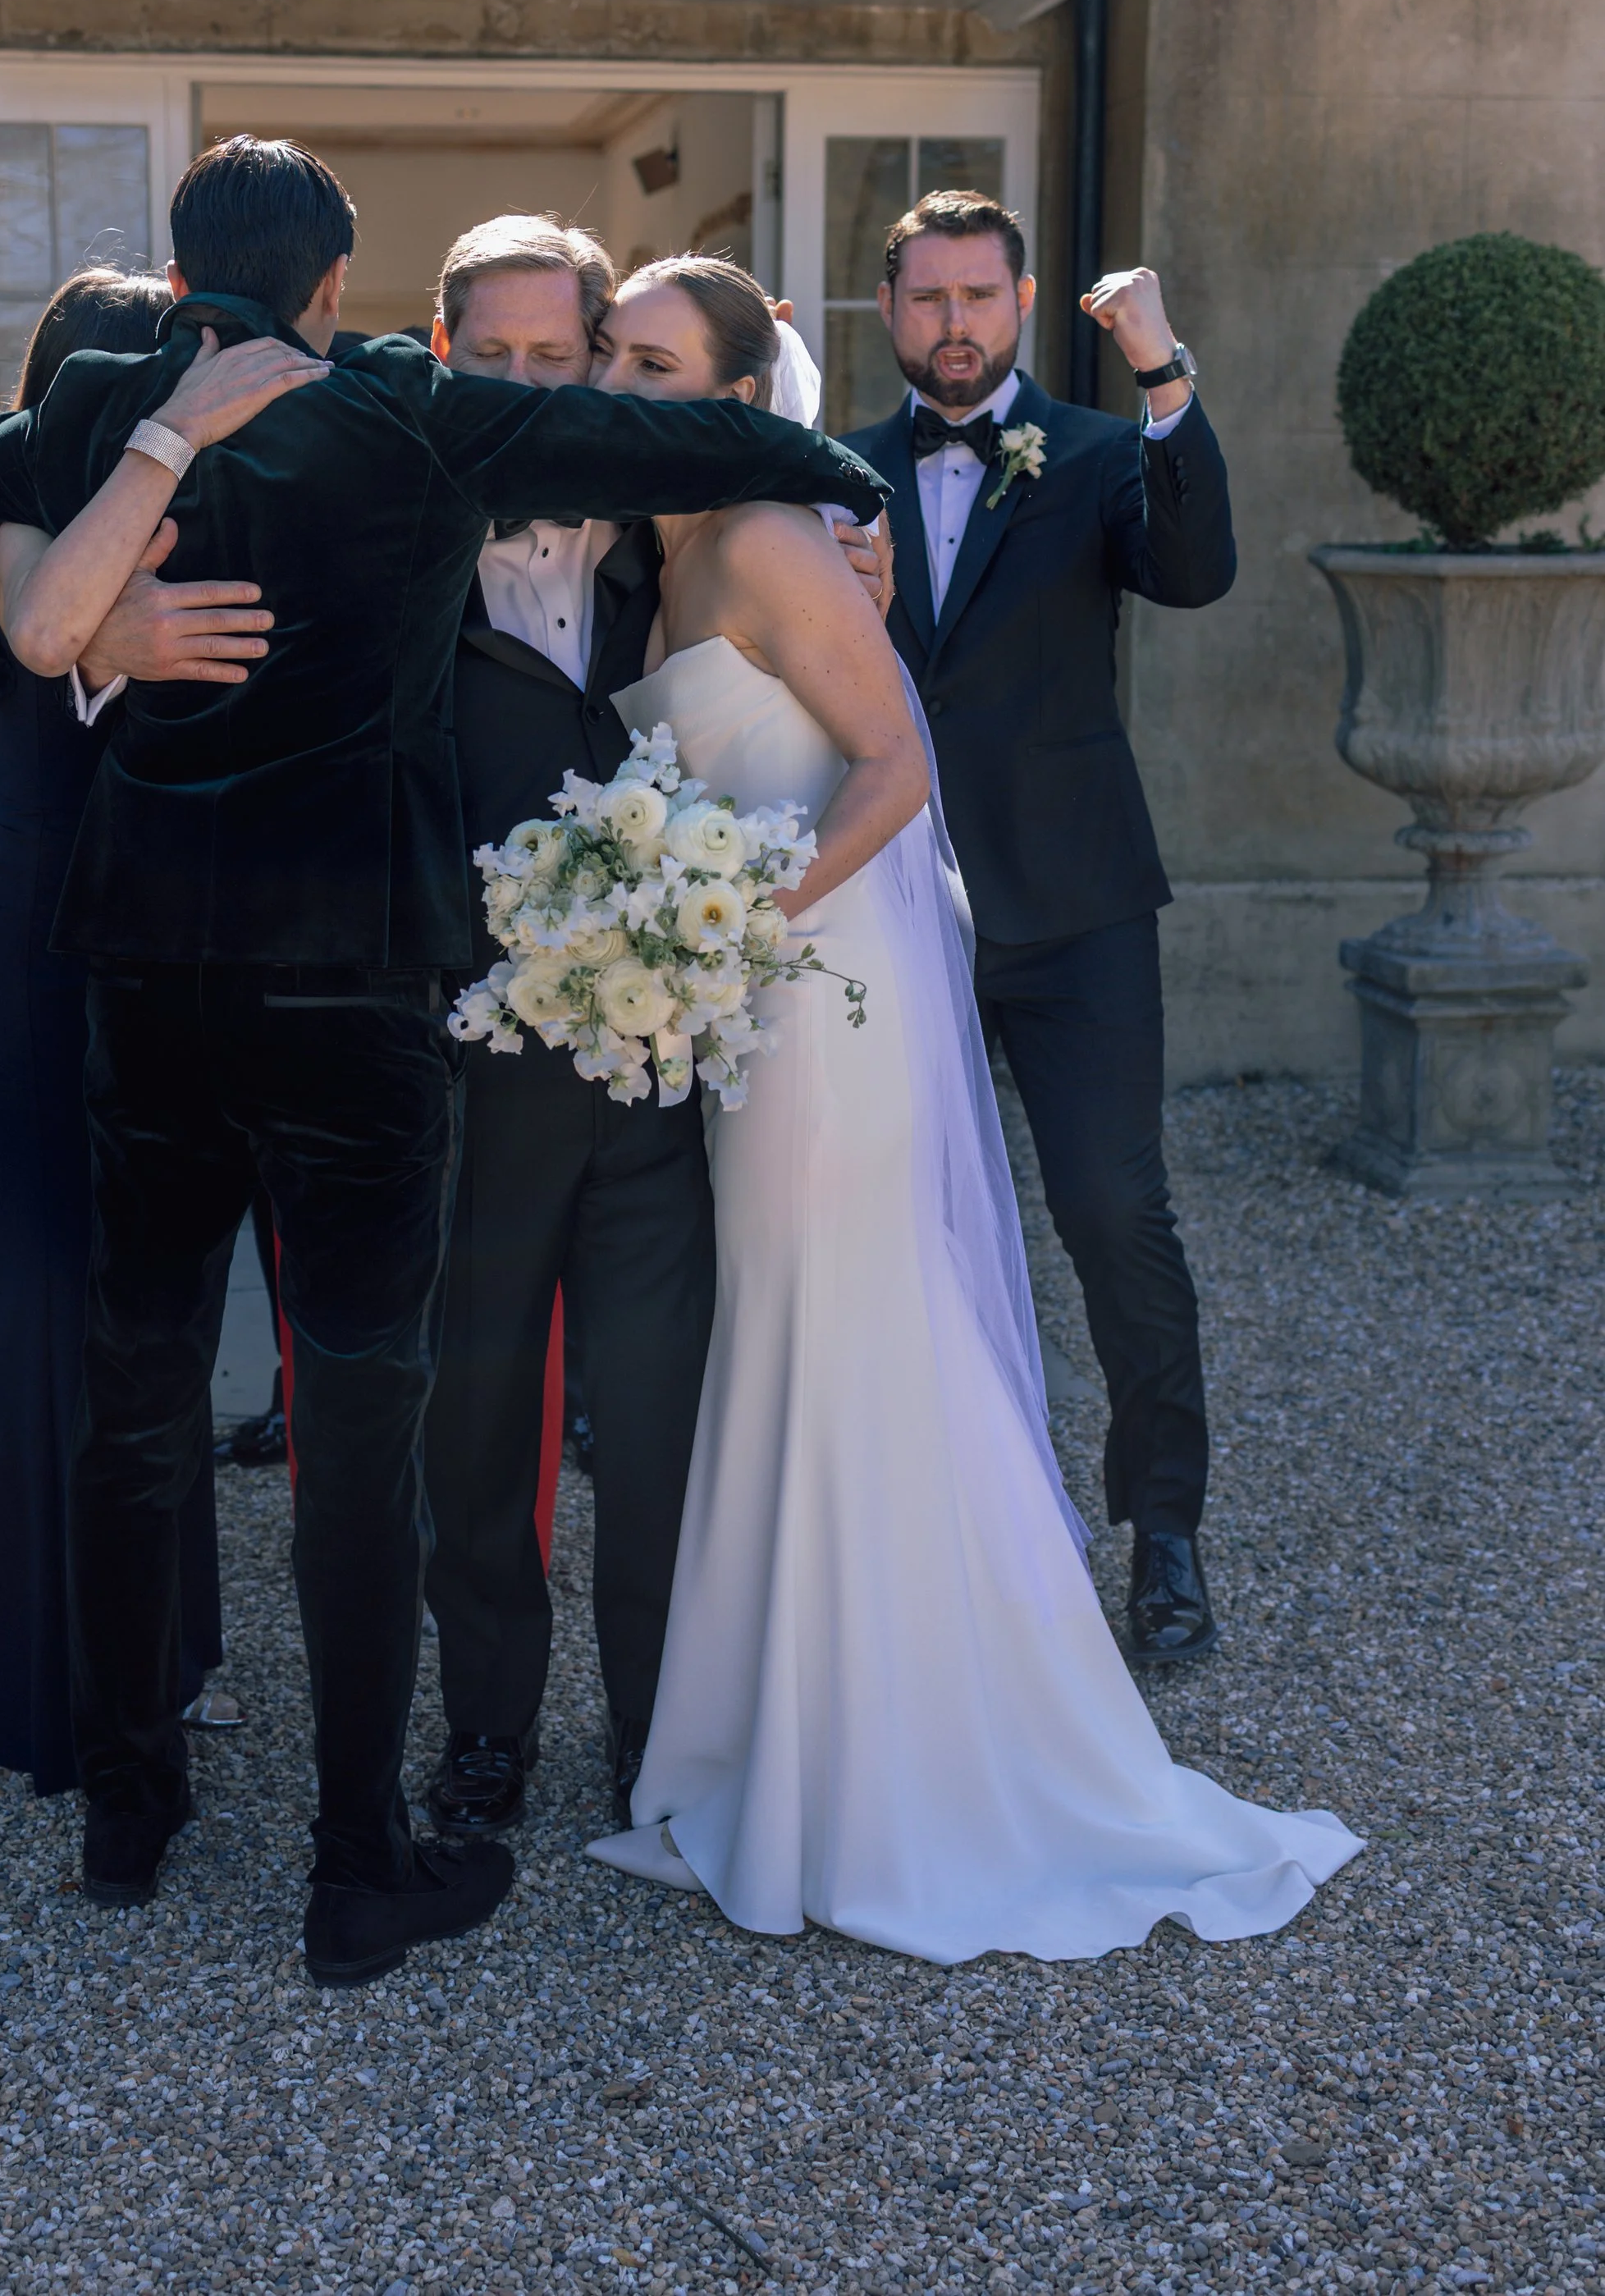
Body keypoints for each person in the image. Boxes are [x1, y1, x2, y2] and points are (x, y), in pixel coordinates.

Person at [0, 135, 889, 1987]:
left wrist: (111, 487)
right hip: (346, 993)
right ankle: (359, 1865)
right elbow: (676, 450)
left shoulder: (112, 391)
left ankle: (129, 1809)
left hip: (140, 981)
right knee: (358, 1426)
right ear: (339, 284)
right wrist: (828, 464)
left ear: (187, 266)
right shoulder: (408, 408)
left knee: (135, 1393)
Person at [582, 257, 1360, 1959]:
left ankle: (910, 1754)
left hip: (816, 985)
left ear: (729, 387)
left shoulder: (777, 536)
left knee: (866, 1320)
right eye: (605, 355)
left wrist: (726, 916)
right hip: (751, 1001)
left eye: (651, 359)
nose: (614, 379)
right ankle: (776, 1735)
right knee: (790, 1334)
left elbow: (895, 759)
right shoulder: (675, 538)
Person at [418, 220, 891, 1843]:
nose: (541, 390)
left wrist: (851, 548)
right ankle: (484, 1730)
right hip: (472, 1076)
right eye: (503, 358)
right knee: (474, 1420)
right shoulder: (396, 543)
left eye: (568, 358)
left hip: (654, 1079)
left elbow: (802, 685)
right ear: (444, 353)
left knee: (661, 1420)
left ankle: (656, 1746)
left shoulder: (666, 546)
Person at [843, 192, 1235, 1662]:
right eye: (929, 297)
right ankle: (936, 1534)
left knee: (1113, 1212)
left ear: (1020, 307)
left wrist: (1161, 373)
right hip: (896, 903)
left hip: (1073, 909)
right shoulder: (841, 473)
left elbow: (1196, 573)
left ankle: (1168, 1532)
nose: (955, 324)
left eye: (981, 299)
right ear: (887, 308)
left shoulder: (1093, 451)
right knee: (905, 1226)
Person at [0, 269, 275, 1794]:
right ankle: (38, 1687)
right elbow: (46, 643)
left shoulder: (162, 521)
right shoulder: (16, 523)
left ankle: (152, 1654)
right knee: (61, 1296)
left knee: (146, 1316)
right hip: (32, 954)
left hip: (131, 954)